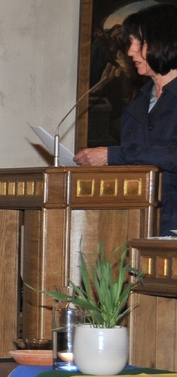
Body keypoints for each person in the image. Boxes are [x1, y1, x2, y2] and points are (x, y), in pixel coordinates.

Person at [74, 4, 177, 235]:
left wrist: (111, 156)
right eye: (130, 43)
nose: (130, 52)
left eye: (138, 43)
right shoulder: (138, 101)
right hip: (135, 225)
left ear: (164, 41)